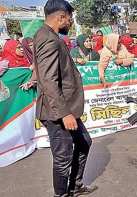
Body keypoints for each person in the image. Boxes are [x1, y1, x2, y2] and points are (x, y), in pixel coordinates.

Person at [33, 0, 98, 196]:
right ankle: (62, 194)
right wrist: (64, 114)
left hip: (65, 107)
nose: (70, 24)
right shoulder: (48, 40)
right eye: (69, 20)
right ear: (60, 17)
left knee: (84, 142)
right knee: (63, 158)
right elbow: (49, 81)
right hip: (57, 111)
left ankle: (75, 186)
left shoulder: (46, 35)